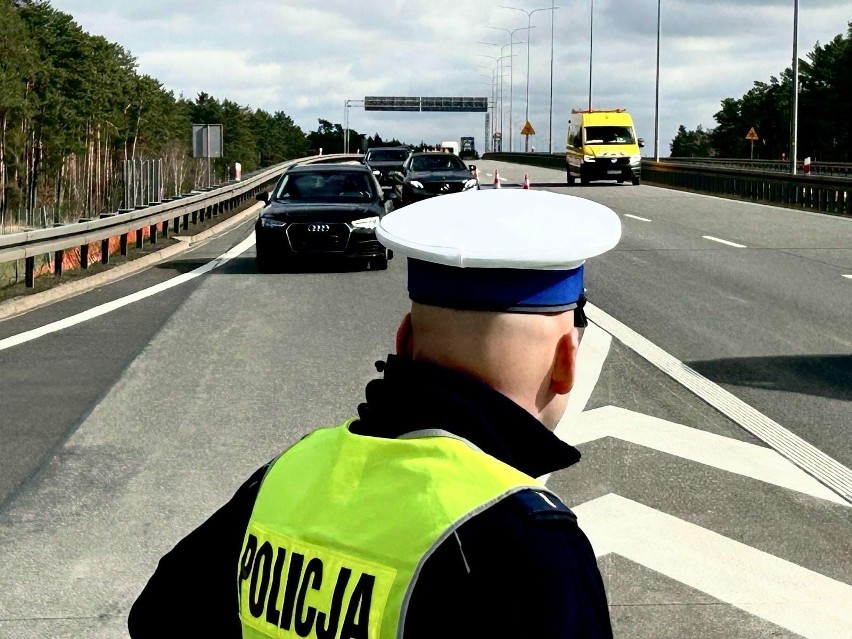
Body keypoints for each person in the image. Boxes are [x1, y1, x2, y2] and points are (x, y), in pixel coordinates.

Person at [128, 188, 621, 638]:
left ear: (404, 340)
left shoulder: (286, 476)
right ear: (565, 363)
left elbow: (157, 618)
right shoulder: (526, 541)